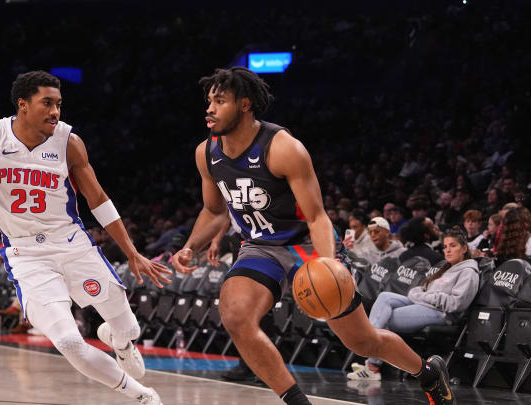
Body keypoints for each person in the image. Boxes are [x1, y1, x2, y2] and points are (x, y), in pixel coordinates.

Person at [0, 34, 170, 405]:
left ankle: (119, 338)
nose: (55, 111)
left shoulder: (69, 142)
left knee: (128, 326)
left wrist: (132, 252)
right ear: (23, 104)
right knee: (66, 341)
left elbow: (99, 200)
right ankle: (142, 396)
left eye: (59, 104)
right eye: (47, 103)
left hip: (72, 244)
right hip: (26, 256)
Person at [170, 67, 456, 405]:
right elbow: (215, 211)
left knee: (361, 341)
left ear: (245, 105)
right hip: (260, 247)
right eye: (209, 101)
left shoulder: (283, 148)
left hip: (305, 243)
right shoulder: (206, 153)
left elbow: (318, 216)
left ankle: (426, 372)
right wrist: (190, 247)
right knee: (235, 315)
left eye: (220, 101)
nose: (210, 108)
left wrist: (328, 264)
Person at [347, 227, 479, 381]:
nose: (447, 250)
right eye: (445, 246)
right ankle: (369, 353)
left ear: (464, 249)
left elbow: (456, 304)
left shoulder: (469, 272)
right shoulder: (447, 268)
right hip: (424, 304)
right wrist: (422, 295)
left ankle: (372, 365)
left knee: (386, 318)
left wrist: (425, 296)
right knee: (384, 297)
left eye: (453, 246)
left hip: (442, 314)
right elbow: (420, 290)